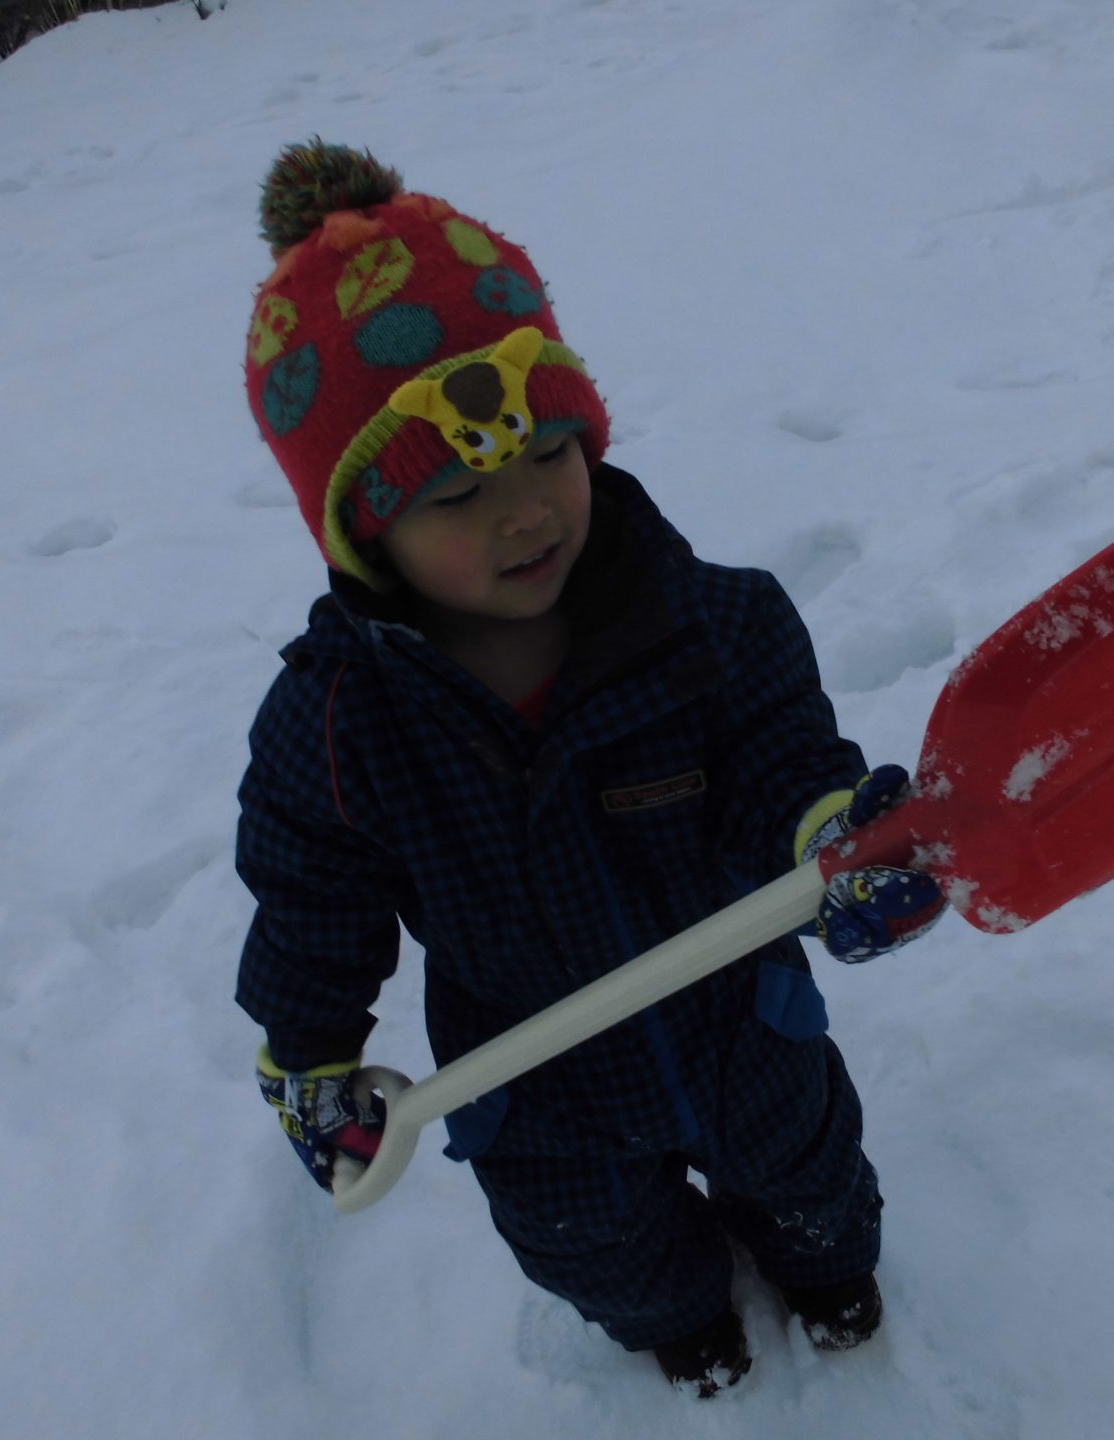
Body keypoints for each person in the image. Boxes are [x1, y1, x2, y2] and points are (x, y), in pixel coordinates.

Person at [233, 140, 947, 1397]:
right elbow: (310, 901)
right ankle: (683, 1321)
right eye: (458, 491)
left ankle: (827, 1270)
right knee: (598, 1243)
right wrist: (310, 1055)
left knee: (810, 1172)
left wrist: (830, 837)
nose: (524, 511)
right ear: (366, 534)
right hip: (529, 1072)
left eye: (547, 453)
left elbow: (782, 763)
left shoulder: (714, 622)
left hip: (739, 1020)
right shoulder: (338, 725)